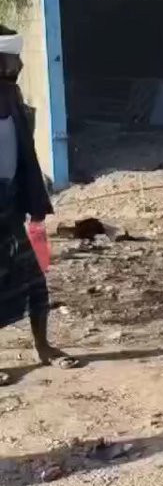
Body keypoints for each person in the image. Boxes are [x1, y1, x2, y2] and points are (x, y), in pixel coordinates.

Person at [0, 28, 78, 386]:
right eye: (11, 60)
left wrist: (34, 201)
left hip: (12, 203)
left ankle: (43, 347)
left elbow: (26, 155)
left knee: (34, 280)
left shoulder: (12, 99)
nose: (18, 65)